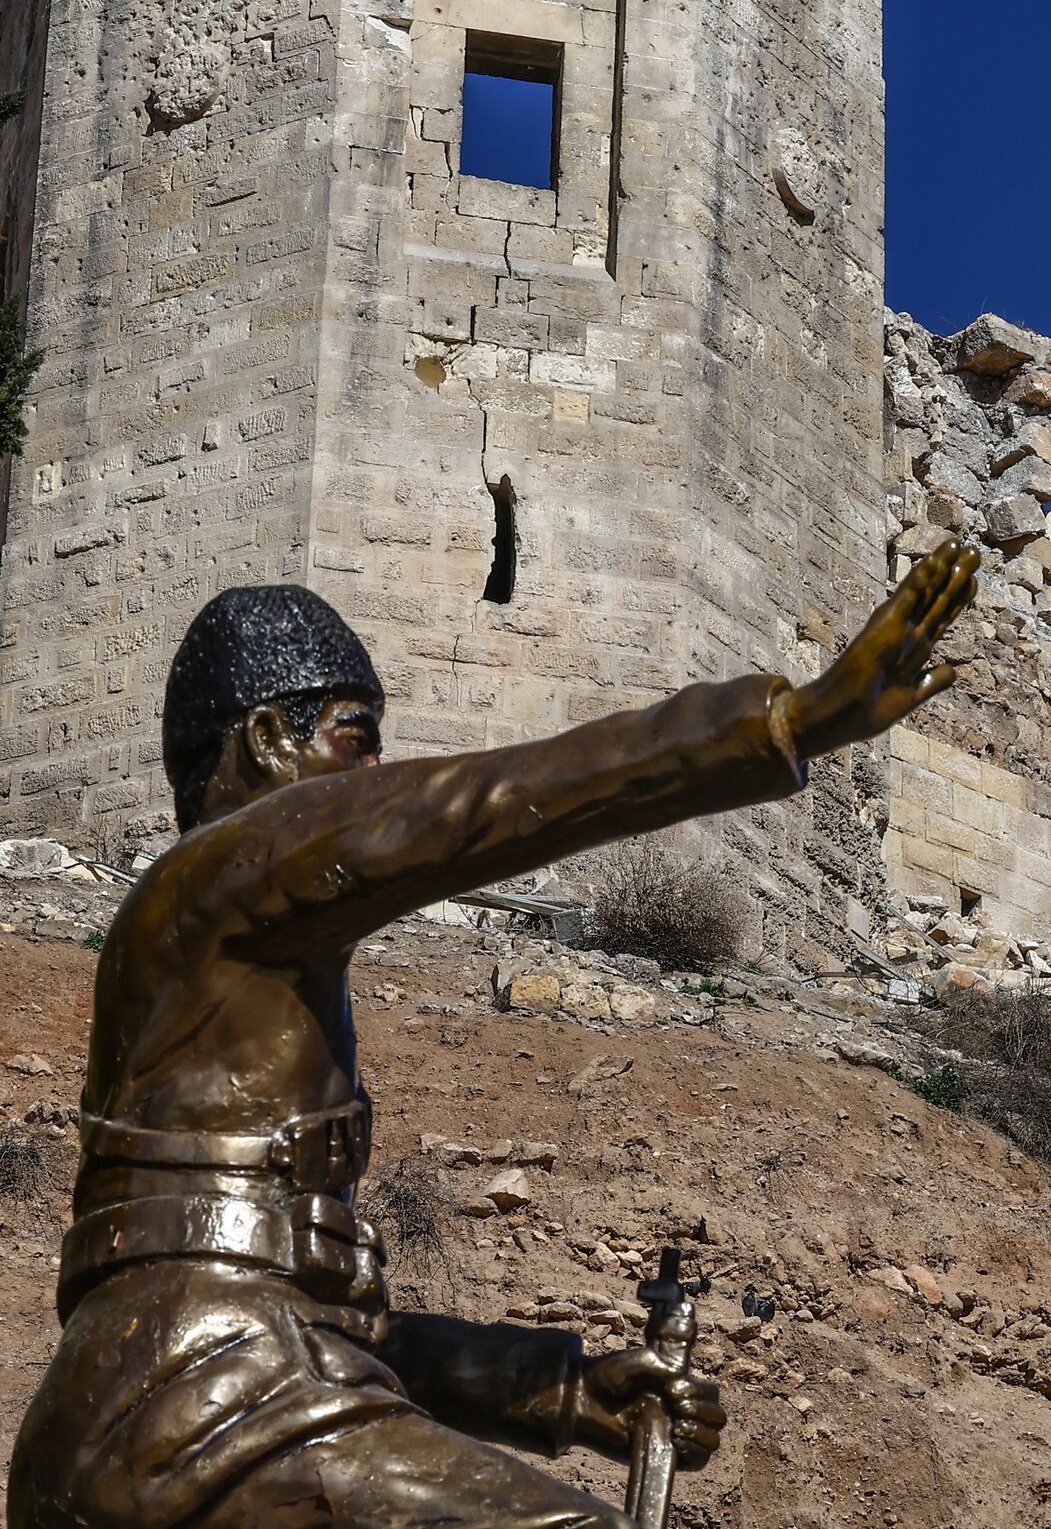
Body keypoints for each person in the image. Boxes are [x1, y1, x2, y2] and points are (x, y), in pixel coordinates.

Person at [5, 544, 979, 1528]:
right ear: (266, 739)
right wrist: (784, 723)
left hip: (177, 1401)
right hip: (197, 1405)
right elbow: (479, 805)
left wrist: (564, 1387)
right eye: (357, 740)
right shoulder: (221, 869)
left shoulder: (240, 975)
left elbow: (319, 1323)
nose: (376, 777)